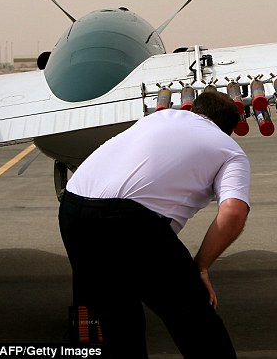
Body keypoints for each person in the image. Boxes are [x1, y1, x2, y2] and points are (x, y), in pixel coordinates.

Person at [58, 91, 250, 358]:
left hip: (73, 207)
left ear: (194, 110)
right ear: (229, 128)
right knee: (195, 320)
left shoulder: (155, 119)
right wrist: (200, 267)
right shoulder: (228, 150)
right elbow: (233, 212)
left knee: (98, 315)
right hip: (131, 223)